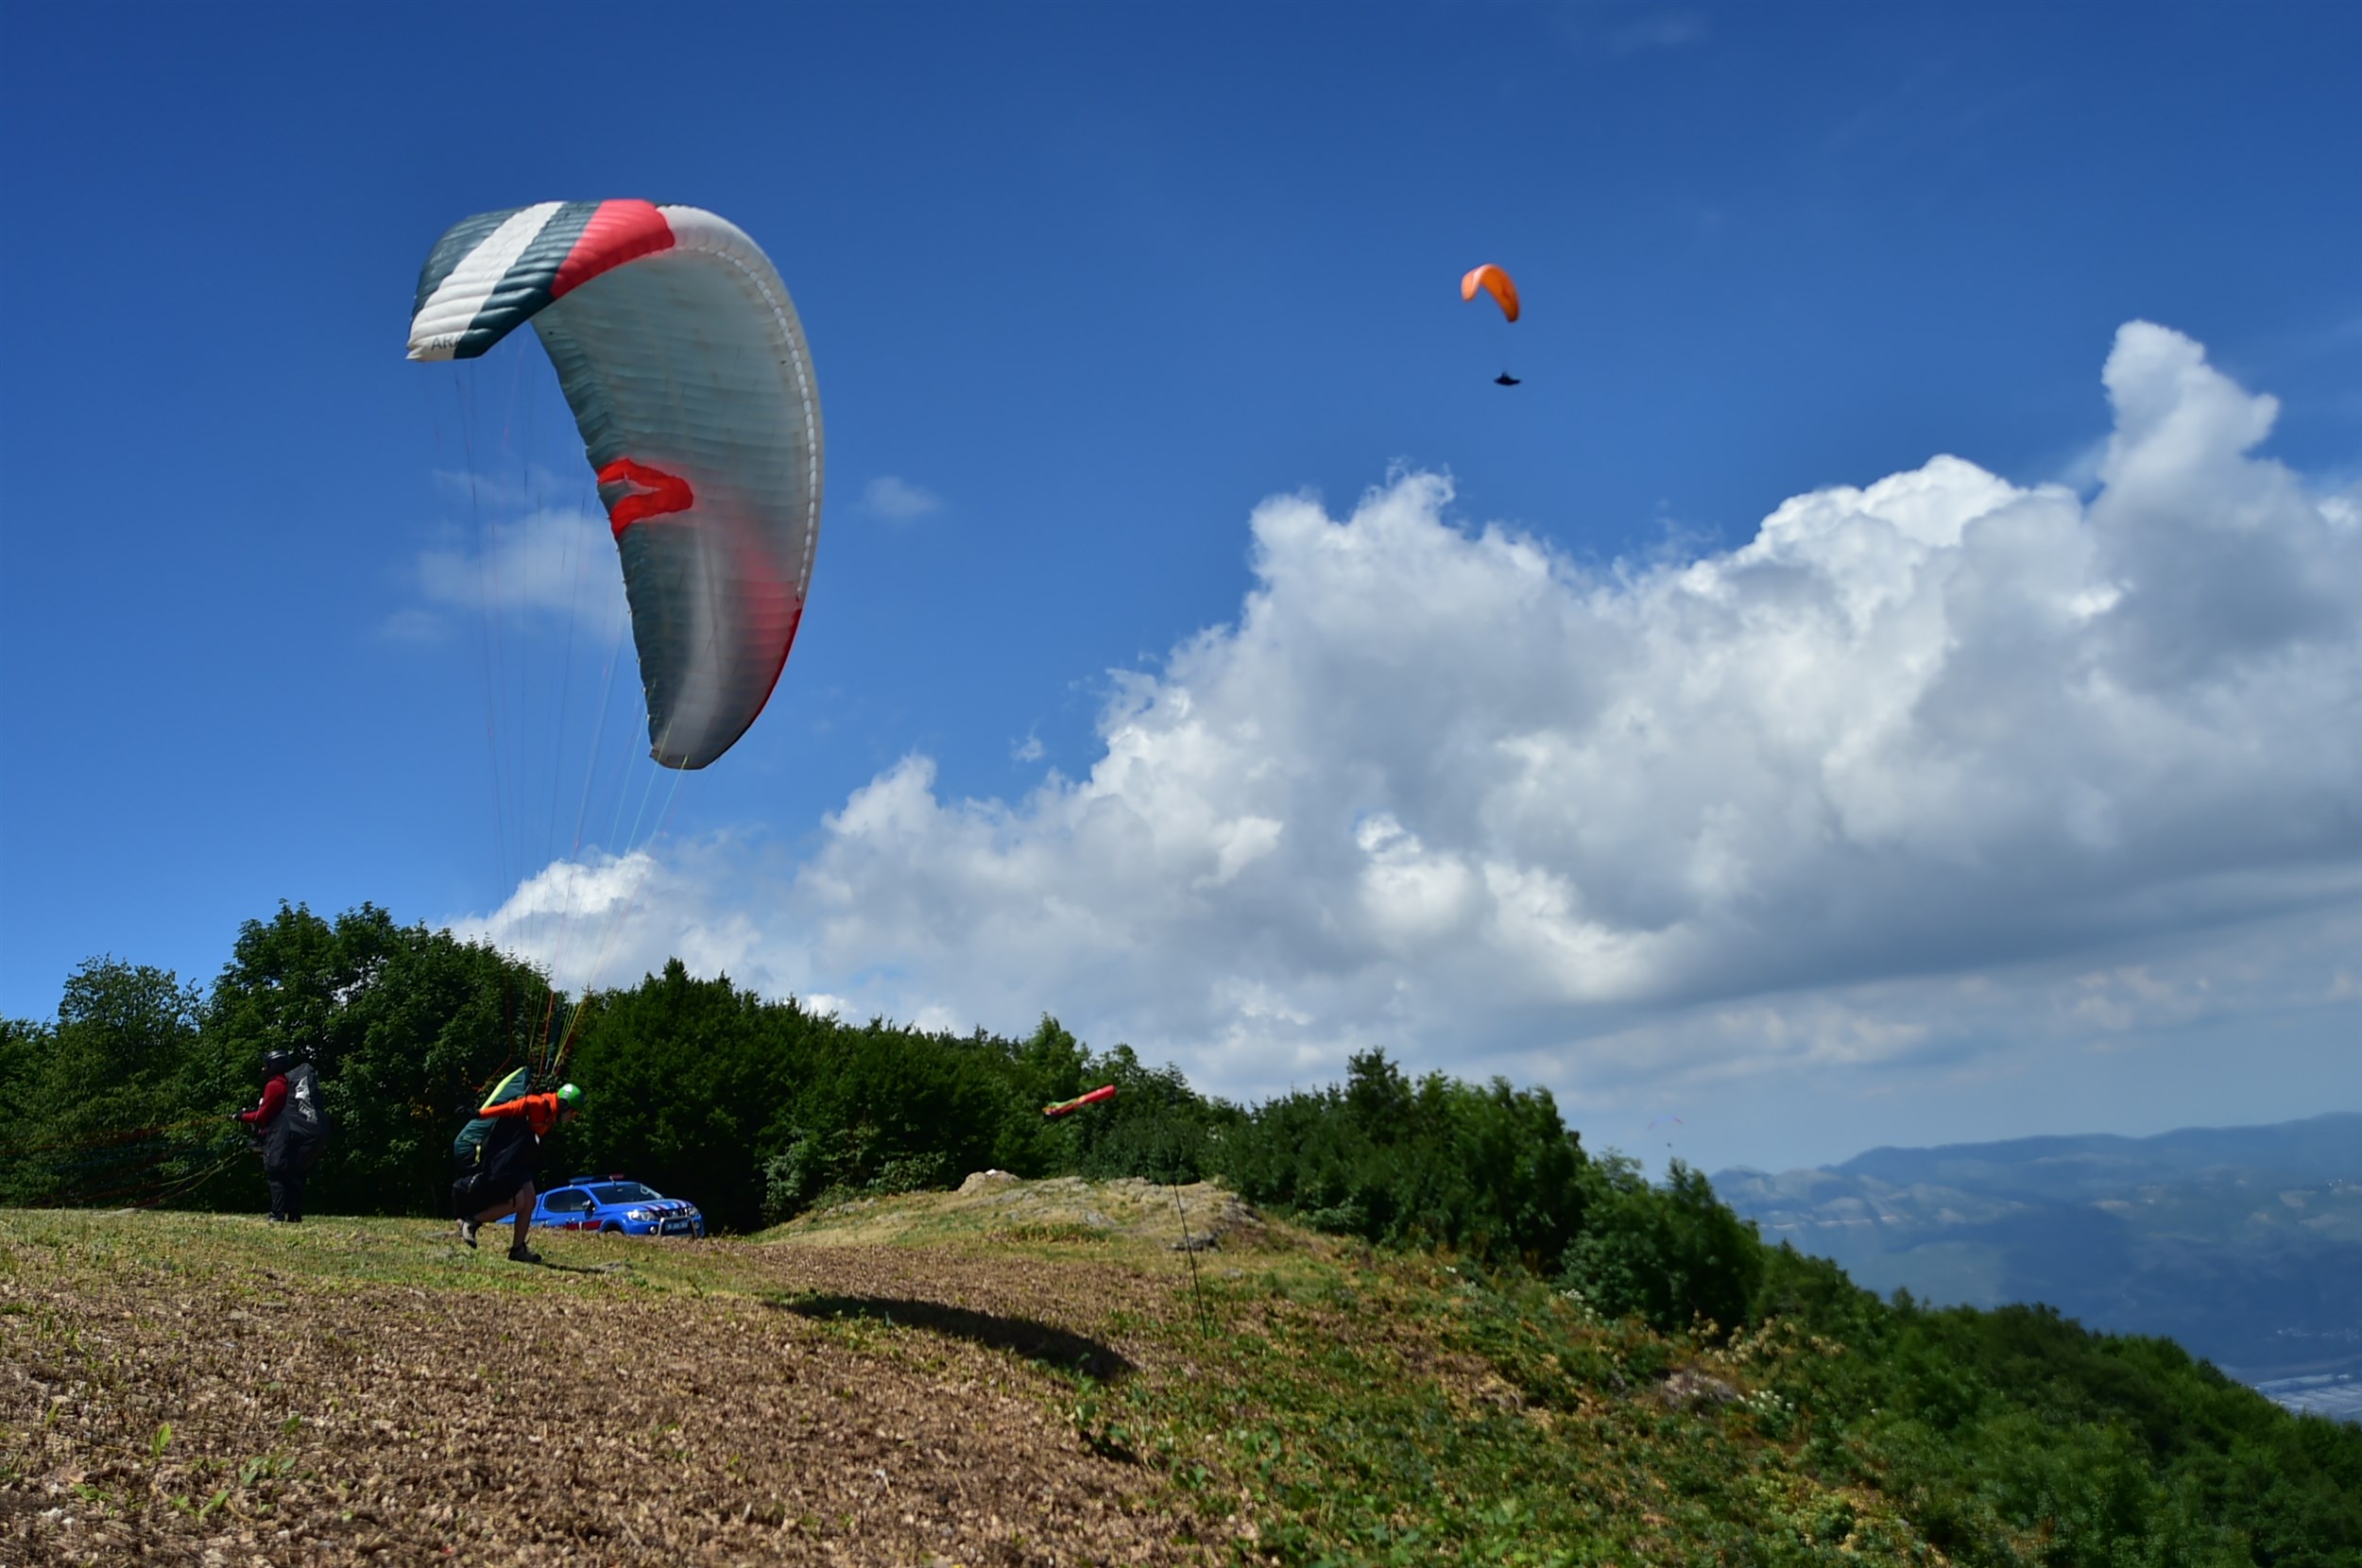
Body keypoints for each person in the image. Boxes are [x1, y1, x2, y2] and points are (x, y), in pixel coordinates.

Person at [454, 1082, 583, 1264]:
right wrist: (478, 1114)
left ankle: (518, 1249)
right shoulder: (537, 1104)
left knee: (530, 1200)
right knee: (517, 1202)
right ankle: (472, 1221)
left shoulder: (550, 1114)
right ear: (564, 1105)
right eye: (574, 1113)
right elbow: (508, 1108)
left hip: (520, 1161)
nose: (573, 1118)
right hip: (507, 1159)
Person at [234, 1049, 329, 1222]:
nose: (264, 1069)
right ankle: (294, 1215)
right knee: (295, 1174)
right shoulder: (288, 1084)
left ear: (274, 1066)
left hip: (282, 1136)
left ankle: (277, 1214)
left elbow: (262, 1116)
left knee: (276, 1172)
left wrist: (241, 1116)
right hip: (301, 1136)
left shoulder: (275, 1085)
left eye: (266, 1065)